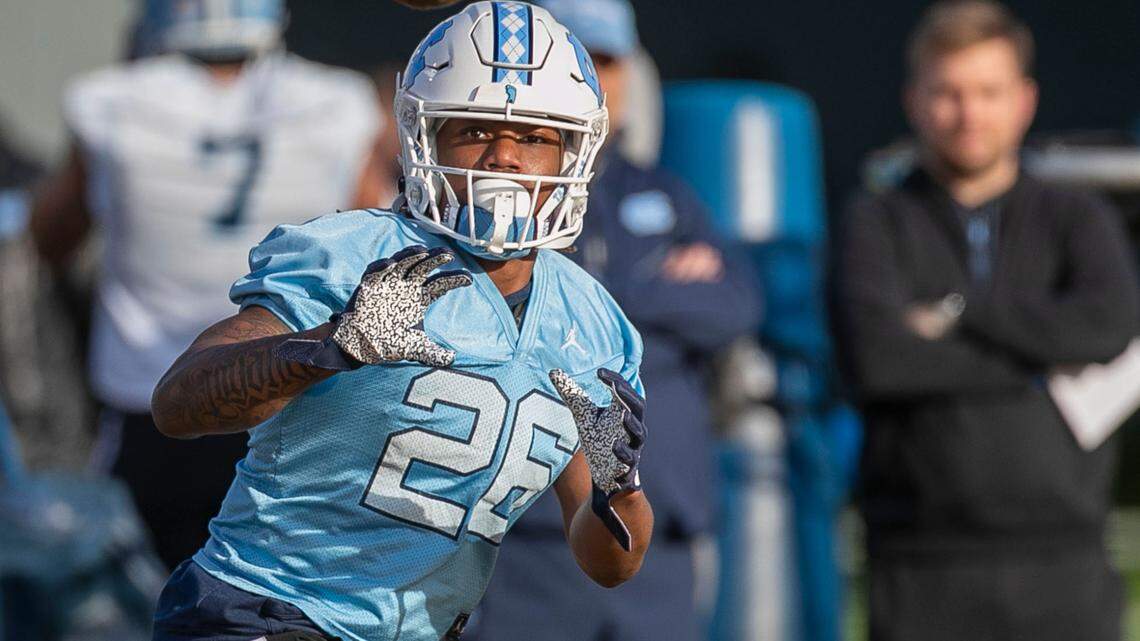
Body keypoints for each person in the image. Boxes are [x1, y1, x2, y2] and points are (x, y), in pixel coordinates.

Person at [148, 3, 654, 640]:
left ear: (574, 152)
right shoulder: (350, 255)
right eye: (472, 130)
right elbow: (177, 402)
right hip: (269, 608)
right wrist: (327, 346)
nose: (502, 157)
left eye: (533, 136)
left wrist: (619, 489)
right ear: (424, 136)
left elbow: (610, 563)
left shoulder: (593, 322)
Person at [29, 0, 385, 569]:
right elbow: (381, 237)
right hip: (290, 395)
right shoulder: (338, 102)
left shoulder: (112, 102)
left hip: (151, 402)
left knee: (154, 592)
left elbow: (49, 238)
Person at [832, 2, 1140, 640]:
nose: (969, 113)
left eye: (988, 92)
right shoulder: (875, 220)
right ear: (914, 99)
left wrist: (958, 314)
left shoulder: (1076, 218)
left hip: (1067, 571)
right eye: (948, 92)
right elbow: (879, 360)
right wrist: (1039, 364)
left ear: (1024, 100)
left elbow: (1109, 328)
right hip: (919, 571)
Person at [467, 2, 761, 640]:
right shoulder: (492, 190)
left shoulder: (665, 191)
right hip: (529, 534)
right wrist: (651, 288)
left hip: (661, 530)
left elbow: (736, 305)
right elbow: (499, 319)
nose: (598, 79)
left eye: (608, 60)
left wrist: (587, 300)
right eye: (579, 60)